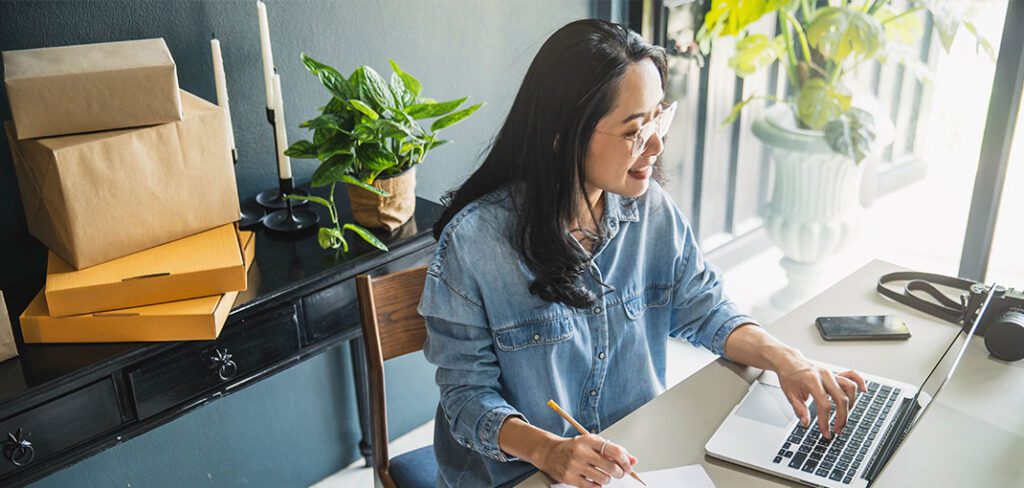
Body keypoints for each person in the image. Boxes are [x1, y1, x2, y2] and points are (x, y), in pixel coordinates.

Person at [418, 18, 867, 488]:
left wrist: (787, 359)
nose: (655, 145)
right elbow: (467, 399)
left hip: (634, 460)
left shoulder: (649, 210)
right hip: (517, 475)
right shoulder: (475, 245)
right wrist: (548, 450)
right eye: (635, 130)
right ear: (562, 136)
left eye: (658, 118)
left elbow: (705, 308)